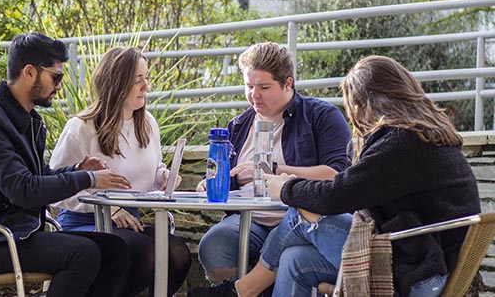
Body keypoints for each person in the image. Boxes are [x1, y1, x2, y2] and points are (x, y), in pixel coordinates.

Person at [192, 55, 481, 297]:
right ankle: (242, 291)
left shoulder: (403, 142)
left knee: (299, 213)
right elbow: (352, 193)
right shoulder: (421, 133)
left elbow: (338, 195)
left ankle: (241, 291)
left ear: (365, 102)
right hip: (422, 259)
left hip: (420, 272)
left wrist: (285, 187)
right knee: (295, 260)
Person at [0, 32, 133, 297]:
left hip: (17, 235)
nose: (59, 86)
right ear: (29, 72)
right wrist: (89, 180)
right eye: (55, 77)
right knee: (84, 254)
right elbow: (23, 190)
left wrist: (76, 171)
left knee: (115, 250)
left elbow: (38, 177)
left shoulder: (28, 120)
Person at [195, 42, 352, 288]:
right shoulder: (238, 125)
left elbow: (335, 175)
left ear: (288, 83)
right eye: (249, 86)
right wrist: (212, 184)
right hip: (248, 219)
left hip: (300, 216)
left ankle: (244, 290)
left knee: (281, 242)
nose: (254, 95)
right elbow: (229, 178)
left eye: (264, 87)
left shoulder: (321, 116)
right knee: (214, 244)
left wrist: (272, 168)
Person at [49, 46, 192, 297]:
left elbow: (153, 166)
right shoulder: (81, 128)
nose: (146, 86)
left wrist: (164, 176)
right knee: (147, 252)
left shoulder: (147, 124)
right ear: (116, 83)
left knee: (178, 254)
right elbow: (56, 189)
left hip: (129, 225)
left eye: (147, 78)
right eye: (138, 80)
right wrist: (108, 208)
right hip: (84, 224)